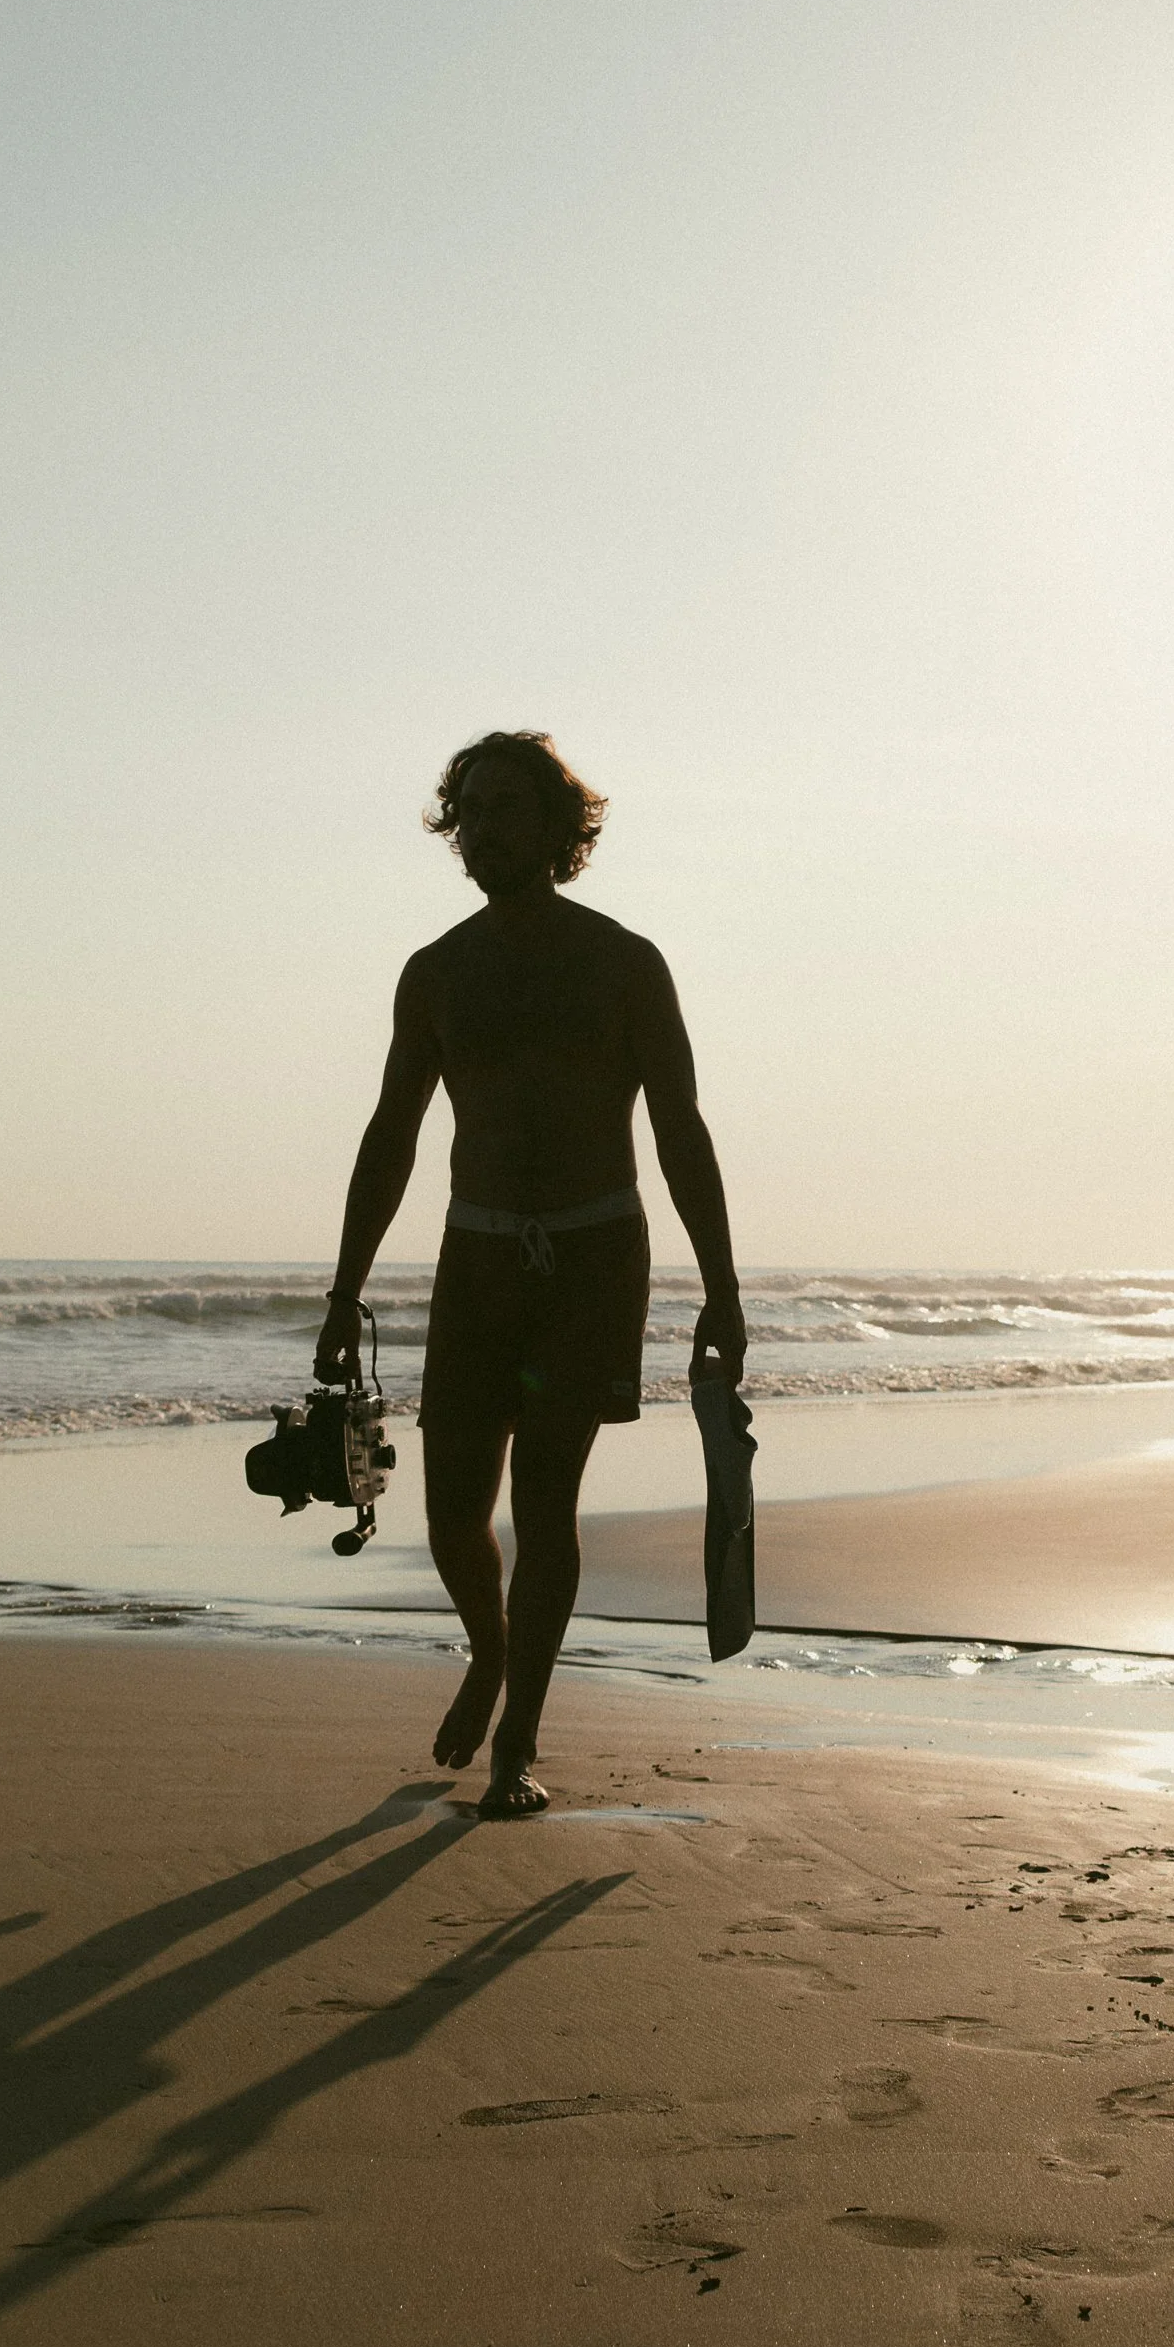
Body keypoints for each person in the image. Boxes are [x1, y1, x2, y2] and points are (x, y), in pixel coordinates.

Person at [313, 731, 745, 1818]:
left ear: (560, 828)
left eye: (509, 807)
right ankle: (489, 1650)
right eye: (472, 810)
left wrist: (724, 1289)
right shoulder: (437, 974)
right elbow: (391, 1139)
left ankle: (519, 1742)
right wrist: (343, 1288)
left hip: (596, 1259)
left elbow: (682, 1132)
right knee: (454, 1511)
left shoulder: (624, 963)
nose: (484, 828)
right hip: (480, 1257)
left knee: (547, 1502)